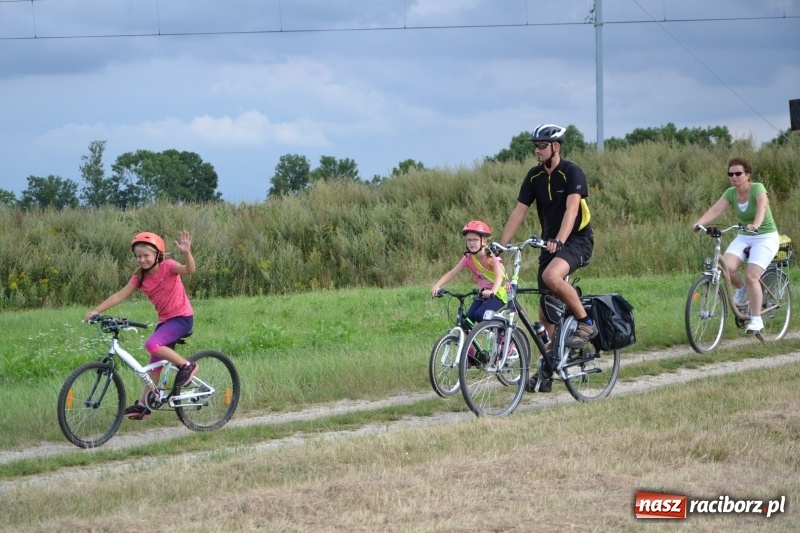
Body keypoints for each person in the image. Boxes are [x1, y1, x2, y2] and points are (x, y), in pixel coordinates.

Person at [499, 123, 596, 393]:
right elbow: (519, 212)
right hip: (549, 245)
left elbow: (571, 209)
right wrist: (501, 245)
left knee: (551, 276)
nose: (537, 151)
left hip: (576, 240)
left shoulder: (571, 172)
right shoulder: (534, 177)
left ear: (556, 147)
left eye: (542, 146)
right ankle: (548, 370)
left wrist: (561, 240)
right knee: (546, 316)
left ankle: (586, 323)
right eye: (535, 146)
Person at [84, 231, 199, 420]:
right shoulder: (140, 277)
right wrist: (97, 311)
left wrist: (186, 252)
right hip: (165, 322)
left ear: (158, 255)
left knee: (152, 345)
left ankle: (187, 365)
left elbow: (189, 270)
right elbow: (119, 295)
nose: (142, 259)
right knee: (154, 366)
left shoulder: (169, 267)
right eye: (138, 256)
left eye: (146, 255)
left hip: (182, 318)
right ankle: (144, 405)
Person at [691, 157, 780, 333]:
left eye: (738, 173)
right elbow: (716, 210)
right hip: (744, 236)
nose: (734, 177)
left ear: (747, 175)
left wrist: (756, 224)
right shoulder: (730, 193)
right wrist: (699, 223)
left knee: (751, 276)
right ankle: (742, 289)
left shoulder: (758, 188)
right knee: (725, 267)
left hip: (765, 237)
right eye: (730, 174)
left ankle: (756, 319)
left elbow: (762, 207)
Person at [431, 220, 508, 327]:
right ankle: (468, 344)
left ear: (484, 241)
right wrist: (437, 285)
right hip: (484, 293)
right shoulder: (468, 258)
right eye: (468, 240)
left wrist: (493, 292)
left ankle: (505, 334)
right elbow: (452, 273)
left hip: (500, 292)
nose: (471, 243)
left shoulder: (491, 256)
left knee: (480, 315)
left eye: (475, 240)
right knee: (467, 322)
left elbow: (499, 276)